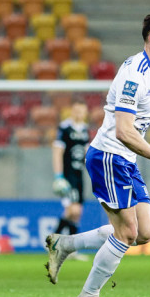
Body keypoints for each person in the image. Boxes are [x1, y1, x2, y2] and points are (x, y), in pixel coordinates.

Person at [44, 13, 150, 297]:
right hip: (109, 155)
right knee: (126, 233)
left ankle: (64, 245)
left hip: (126, 160)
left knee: (144, 232)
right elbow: (123, 130)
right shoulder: (135, 74)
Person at [50, 99, 91, 238]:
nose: (79, 113)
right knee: (72, 210)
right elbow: (57, 151)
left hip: (79, 174)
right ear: (72, 111)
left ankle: (70, 248)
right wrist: (58, 176)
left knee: (77, 212)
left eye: (82, 111)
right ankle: (53, 240)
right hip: (68, 174)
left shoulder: (85, 129)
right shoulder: (64, 128)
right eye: (77, 110)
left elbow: (86, 153)